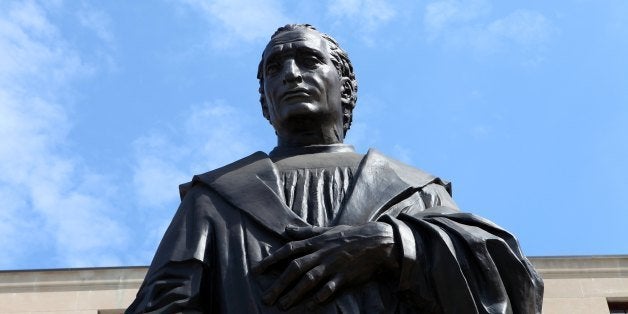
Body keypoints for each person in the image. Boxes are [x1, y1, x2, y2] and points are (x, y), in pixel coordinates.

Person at [126, 24, 543, 314]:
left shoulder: (413, 189)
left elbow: (511, 283)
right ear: (265, 100)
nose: (290, 74)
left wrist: (392, 243)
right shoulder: (216, 197)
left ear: (343, 85)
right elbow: (163, 304)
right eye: (274, 68)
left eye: (308, 60)